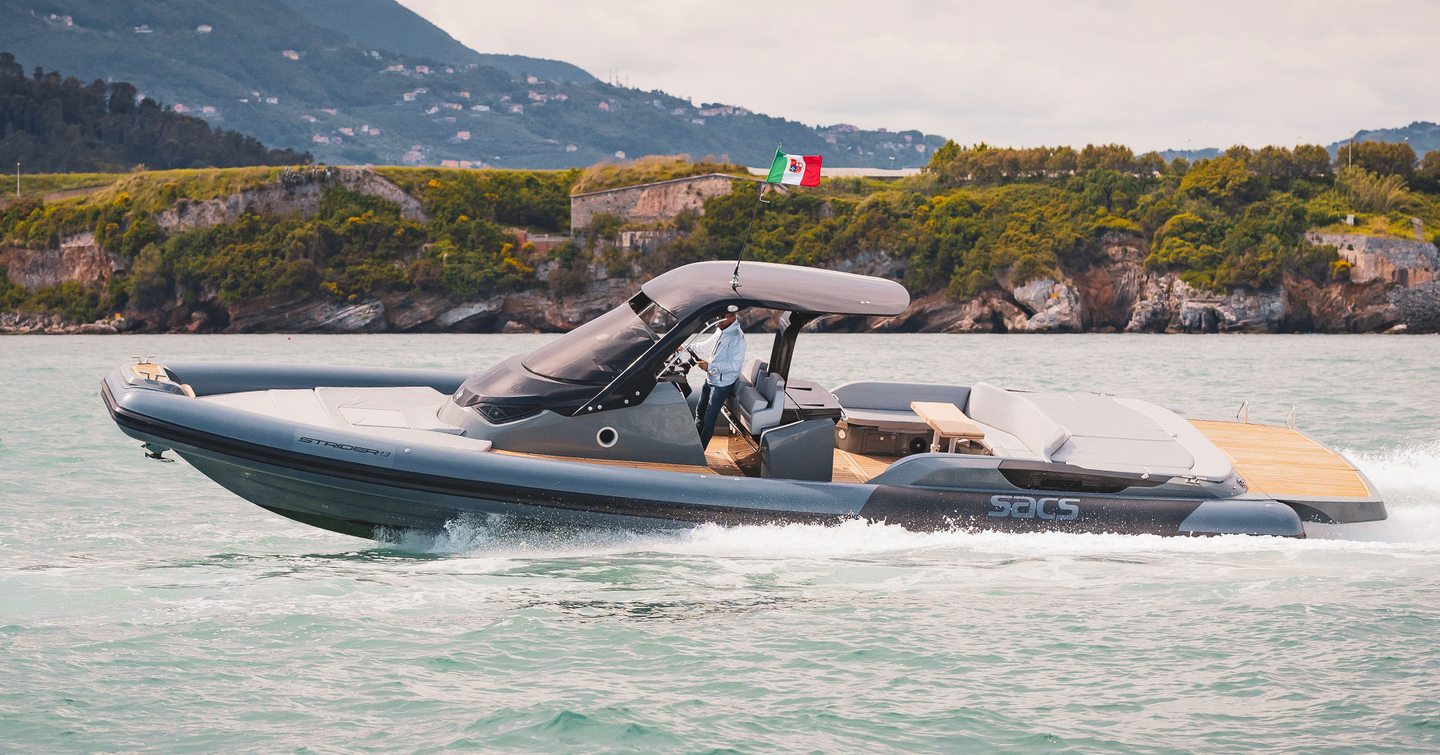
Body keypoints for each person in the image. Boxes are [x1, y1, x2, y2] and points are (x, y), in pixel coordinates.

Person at [692, 305, 745, 447]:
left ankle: (699, 453)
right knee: (699, 412)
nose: (718, 320)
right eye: (718, 317)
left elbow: (735, 367)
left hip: (721, 385)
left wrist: (711, 367)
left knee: (709, 418)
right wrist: (686, 347)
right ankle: (693, 447)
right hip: (710, 379)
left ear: (733, 317)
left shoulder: (737, 339)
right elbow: (707, 345)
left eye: (722, 317)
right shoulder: (721, 330)